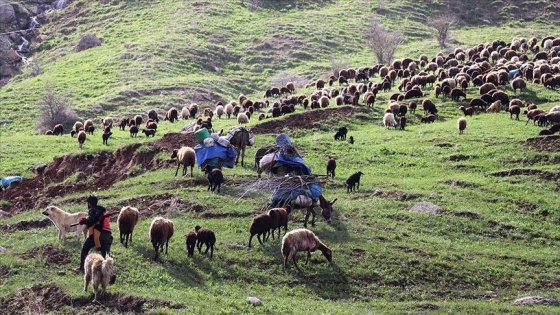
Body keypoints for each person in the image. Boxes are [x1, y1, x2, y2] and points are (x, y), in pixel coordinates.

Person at [75, 195, 115, 273]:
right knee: (106, 255)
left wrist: (85, 221)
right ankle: (109, 272)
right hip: (107, 235)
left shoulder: (92, 210)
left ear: (89, 203)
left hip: (98, 233)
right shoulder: (102, 211)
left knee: (85, 248)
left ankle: (82, 268)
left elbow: (92, 221)